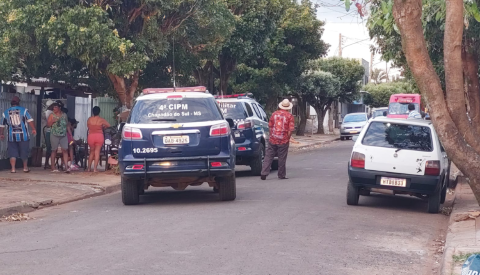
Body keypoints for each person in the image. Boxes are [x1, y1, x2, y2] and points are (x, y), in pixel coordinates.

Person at [0, 96, 37, 173]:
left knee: (12, 153)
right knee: (24, 152)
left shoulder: (5, 112)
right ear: (18, 102)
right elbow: (30, 120)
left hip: (11, 136)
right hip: (24, 136)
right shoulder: (24, 110)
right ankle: (25, 167)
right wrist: (33, 129)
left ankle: (13, 169)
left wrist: (1, 134)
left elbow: (2, 125)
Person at [260, 99, 295, 180]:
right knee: (282, 157)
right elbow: (290, 130)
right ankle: (281, 175)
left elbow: (270, 126)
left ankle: (264, 173)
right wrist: (288, 137)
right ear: (288, 108)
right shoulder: (289, 116)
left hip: (273, 139)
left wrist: (272, 135)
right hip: (283, 140)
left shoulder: (274, 114)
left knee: (268, 156)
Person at [47, 103, 70, 172]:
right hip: (54, 134)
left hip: (63, 134)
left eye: (55, 107)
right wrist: (52, 121)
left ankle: (66, 166)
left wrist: (70, 134)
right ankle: (53, 167)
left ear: (59, 108)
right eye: (53, 108)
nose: (54, 109)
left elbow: (67, 124)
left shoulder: (64, 115)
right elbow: (48, 125)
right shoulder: (51, 115)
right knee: (54, 150)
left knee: (65, 150)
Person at [87, 106, 110, 172]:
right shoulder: (101, 120)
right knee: (97, 152)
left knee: (91, 152)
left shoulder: (89, 119)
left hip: (91, 136)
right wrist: (103, 127)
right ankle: (95, 169)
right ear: (99, 112)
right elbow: (108, 125)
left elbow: (88, 126)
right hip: (99, 136)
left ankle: (88, 168)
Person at [44, 100, 54, 169]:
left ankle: (47, 163)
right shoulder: (50, 113)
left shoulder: (48, 112)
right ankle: (47, 163)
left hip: (49, 131)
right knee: (50, 148)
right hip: (51, 131)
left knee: (49, 148)